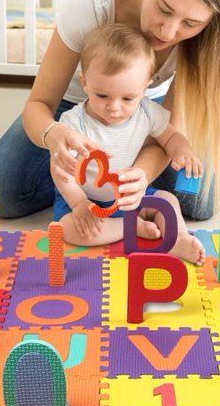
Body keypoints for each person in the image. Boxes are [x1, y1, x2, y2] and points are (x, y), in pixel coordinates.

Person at [0, 0, 220, 222]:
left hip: (143, 107)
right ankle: (86, 180)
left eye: (190, 23)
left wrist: (142, 175)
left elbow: (169, 129)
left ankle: (117, 170)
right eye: (164, 9)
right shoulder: (92, 2)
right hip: (72, 106)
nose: (168, 32)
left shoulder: (204, 40)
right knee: (2, 196)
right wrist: (55, 136)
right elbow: (39, 104)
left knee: (202, 202)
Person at [52, 23, 206, 266]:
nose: (114, 107)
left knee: (167, 200)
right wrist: (79, 203)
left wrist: (183, 150)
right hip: (88, 201)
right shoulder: (73, 122)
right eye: (102, 95)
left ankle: (177, 239)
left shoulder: (146, 112)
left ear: (144, 89)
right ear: (85, 82)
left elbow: (170, 136)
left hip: (132, 199)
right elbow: (60, 170)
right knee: (68, 229)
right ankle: (130, 227)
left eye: (127, 98)